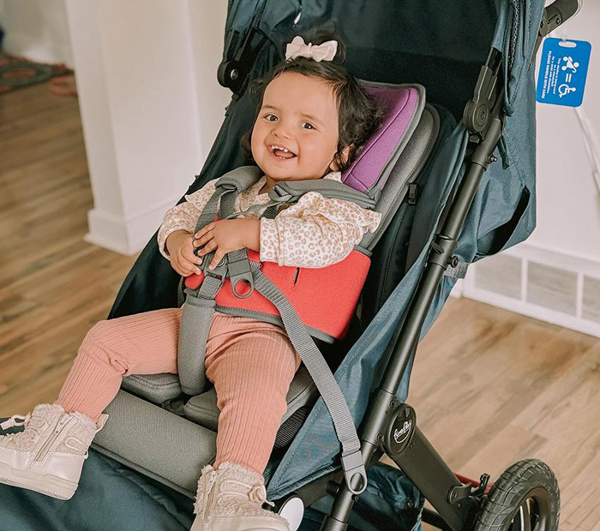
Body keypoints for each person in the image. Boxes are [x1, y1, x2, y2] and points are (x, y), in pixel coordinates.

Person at [0, 33, 382, 531]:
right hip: (194, 319)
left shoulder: (336, 207)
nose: (281, 131)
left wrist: (251, 232)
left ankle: (232, 500)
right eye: (271, 116)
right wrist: (177, 239)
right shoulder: (233, 185)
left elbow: (322, 244)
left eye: (307, 125)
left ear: (341, 154)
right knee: (103, 340)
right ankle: (53, 450)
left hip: (263, 333)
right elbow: (177, 217)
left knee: (256, 393)